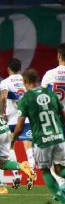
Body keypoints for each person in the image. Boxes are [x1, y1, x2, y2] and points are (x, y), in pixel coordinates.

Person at [13, 69, 65, 202]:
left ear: (24, 81)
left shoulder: (26, 98)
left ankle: (62, 199)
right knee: (59, 169)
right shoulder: (51, 94)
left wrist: (12, 139)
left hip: (42, 140)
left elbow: (19, 126)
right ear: (37, 80)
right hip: (58, 137)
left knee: (45, 171)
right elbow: (63, 115)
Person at [0, 58, 35, 190]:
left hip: (11, 119)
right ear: (20, 69)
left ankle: (16, 176)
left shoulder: (5, 82)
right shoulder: (25, 80)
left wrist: (2, 113)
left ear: (8, 69)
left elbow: (3, 97)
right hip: (26, 119)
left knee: (10, 147)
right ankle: (31, 172)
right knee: (29, 148)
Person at [41, 43, 65, 189]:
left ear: (58, 55)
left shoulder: (49, 75)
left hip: (54, 120)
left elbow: (42, 98)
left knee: (52, 159)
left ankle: (61, 183)